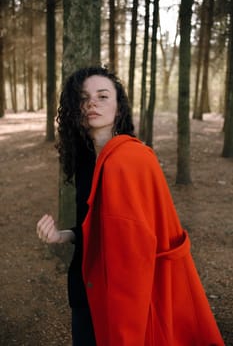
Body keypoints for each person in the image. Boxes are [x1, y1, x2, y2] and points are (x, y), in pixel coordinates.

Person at [36, 66, 224, 346]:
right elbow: (99, 225)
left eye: (102, 96)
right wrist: (64, 235)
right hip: (86, 289)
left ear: (119, 107)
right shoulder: (87, 160)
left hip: (121, 299)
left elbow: (135, 249)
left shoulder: (129, 160)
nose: (92, 104)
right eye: (84, 98)